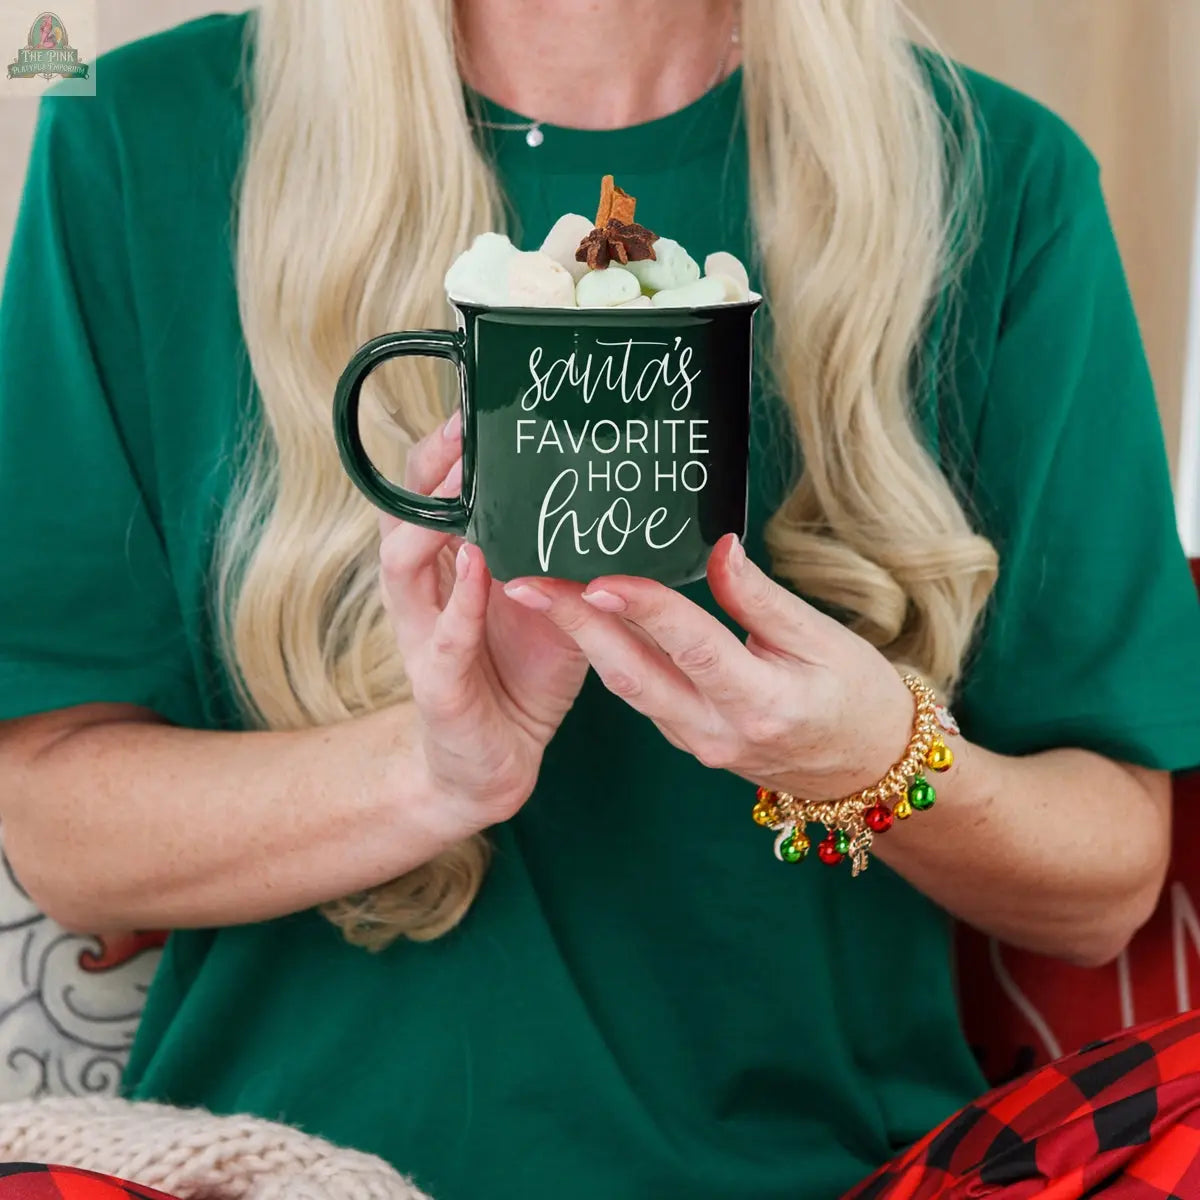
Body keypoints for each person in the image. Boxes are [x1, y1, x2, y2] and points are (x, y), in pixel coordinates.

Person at [1, 2, 1198, 1197]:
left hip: (833, 1175)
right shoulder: (138, 136)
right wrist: (433, 776)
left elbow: (1105, 882)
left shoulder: (1001, 177)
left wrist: (874, 759)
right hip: (277, 1166)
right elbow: (61, 833)